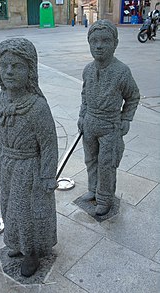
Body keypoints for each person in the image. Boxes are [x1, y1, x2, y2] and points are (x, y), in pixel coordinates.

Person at [0, 38, 58, 277]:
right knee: (8, 207)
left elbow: (49, 144)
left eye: (17, 66)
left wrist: (48, 176)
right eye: (4, 65)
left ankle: (31, 251)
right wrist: (0, 156)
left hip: (29, 168)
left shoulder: (37, 107)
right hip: (8, 165)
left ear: (30, 70)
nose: (9, 71)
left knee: (27, 213)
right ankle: (16, 244)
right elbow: (0, 134)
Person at [78, 19, 140, 216]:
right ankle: (92, 188)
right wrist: (82, 115)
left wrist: (126, 119)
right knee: (91, 159)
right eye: (94, 41)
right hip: (90, 122)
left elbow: (133, 96)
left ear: (115, 43)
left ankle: (105, 197)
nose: (99, 46)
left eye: (105, 41)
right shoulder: (88, 69)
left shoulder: (121, 71)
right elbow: (84, 94)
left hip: (109, 125)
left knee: (107, 163)